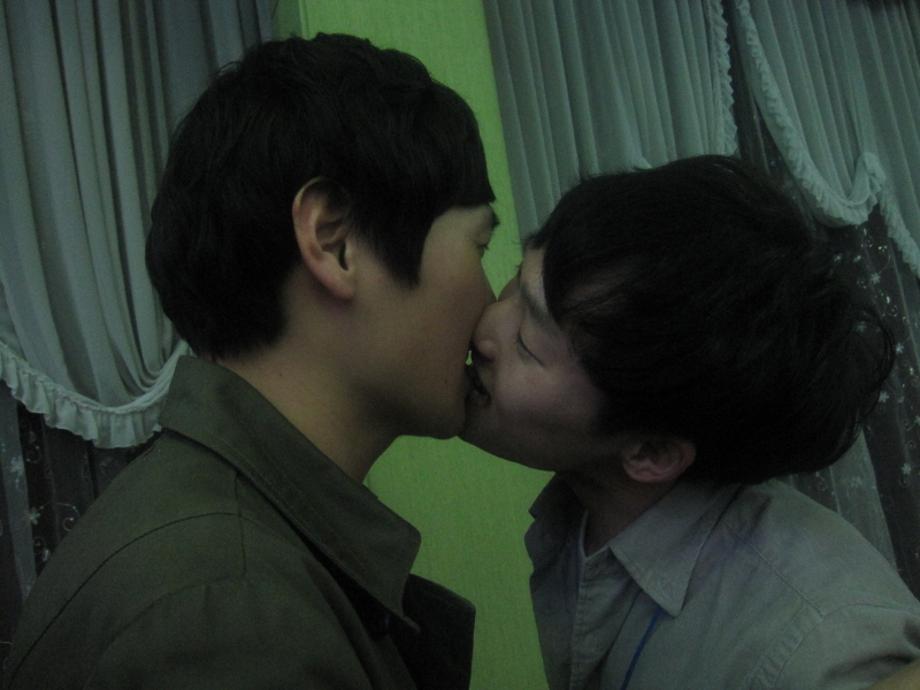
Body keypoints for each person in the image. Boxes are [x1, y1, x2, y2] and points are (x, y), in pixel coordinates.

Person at [3, 34, 496, 690]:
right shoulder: (233, 616)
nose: (494, 306)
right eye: (479, 248)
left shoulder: (215, 548)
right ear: (335, 242)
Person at [462, 155, 920, 689]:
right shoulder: (585, 522)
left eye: (526, 342)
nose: (485, 330)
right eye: (515, 284)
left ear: (651, 453)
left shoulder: (813, 647)